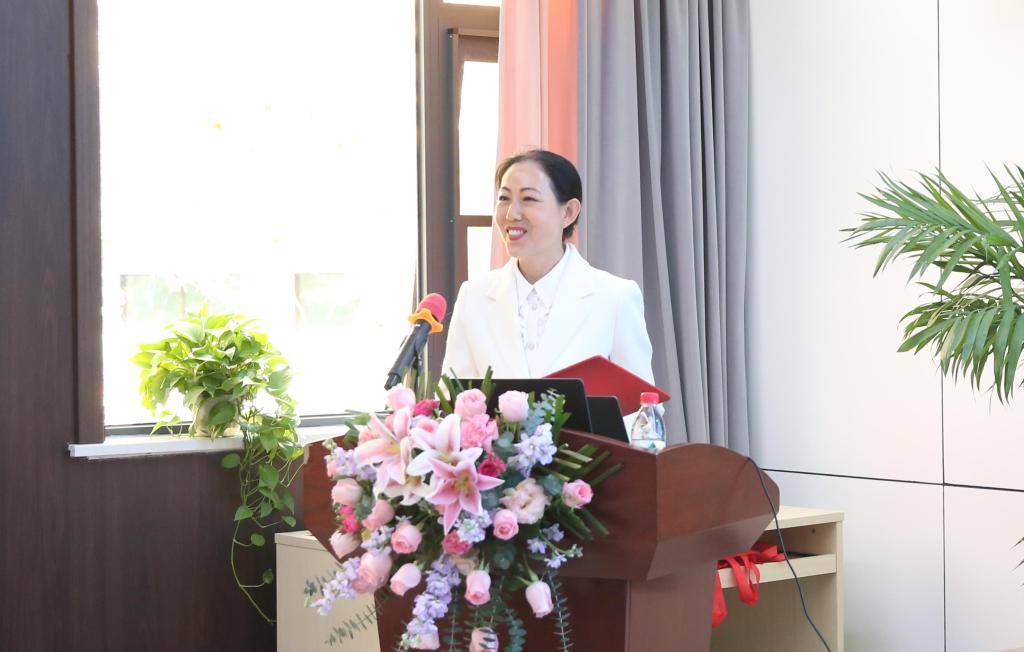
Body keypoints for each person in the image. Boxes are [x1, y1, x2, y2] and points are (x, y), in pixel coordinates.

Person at [441, 149, 655, 386]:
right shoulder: (474, 297)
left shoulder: (615, 297)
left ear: (568, 212)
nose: (511, 213)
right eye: (504, 199)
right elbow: (452, 398)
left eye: (529, 199)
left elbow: (643, 403)